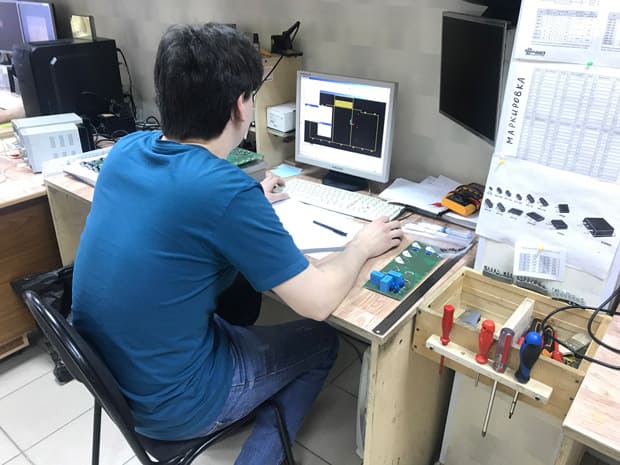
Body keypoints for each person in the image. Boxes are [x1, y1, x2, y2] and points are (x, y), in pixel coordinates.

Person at [71, 23, 403, 465]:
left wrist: (247, 202)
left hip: (113, 376)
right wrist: (361, 245)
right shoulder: (223, 192)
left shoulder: (126, 151)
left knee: (243, 305)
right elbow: (317, 302)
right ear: (241, 106)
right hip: (175, 406)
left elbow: (179, 210)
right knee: (323, 341)